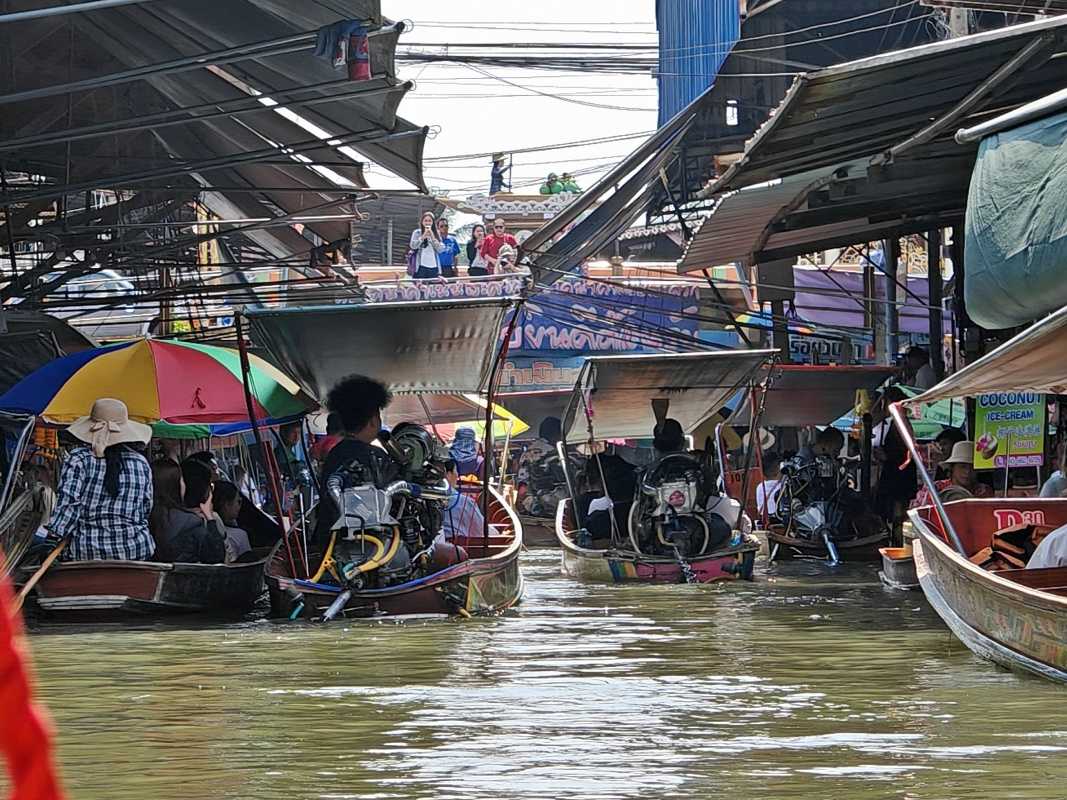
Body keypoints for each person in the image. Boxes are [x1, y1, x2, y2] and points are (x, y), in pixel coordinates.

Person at [49, 398, 154, 562]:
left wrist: (53, 537)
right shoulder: (141, 463)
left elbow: (68, 507)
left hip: (85, 551)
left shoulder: (78, 459)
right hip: (135, 549)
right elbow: (145, 508)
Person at [316, 375, 400, 540]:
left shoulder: (335, 453)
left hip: (328, 539)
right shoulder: (376, 456)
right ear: (373, 421)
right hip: (367, 547)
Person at [149, 459, 226, 564]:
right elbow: (217, 556)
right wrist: (210, 518)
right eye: (181, 480)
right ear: (176, 486)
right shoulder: (192, 523)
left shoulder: (144, 520)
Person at [873, 387, 918, 525]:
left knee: (897, 513)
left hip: (899, 476)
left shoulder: (899, 422)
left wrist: (886, 457)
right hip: (896, 474)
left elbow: (905, 450)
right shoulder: (894, 422)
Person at [439, 460, 485, 541]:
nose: (457, 475)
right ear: (448, 475)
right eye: (456, 470)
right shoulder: (465, 502)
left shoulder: (422, 501)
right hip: (461, 550)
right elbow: (481, 530)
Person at [212, 480, 252, 562]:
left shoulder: (204, 526)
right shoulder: (240, 535)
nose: (239, 507)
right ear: (227, 505)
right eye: (238, 502)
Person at [409, 211, 445, 279]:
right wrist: (423, 237)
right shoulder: (417, 232)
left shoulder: (436, 233)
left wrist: (433, 237)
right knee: (420, 287)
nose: (427, 223)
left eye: (429, 221)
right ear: (422, 222)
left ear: (432, 223)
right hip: (420, 266)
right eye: (425, 221)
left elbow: (440, 250)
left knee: (432, 287)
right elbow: (413, 246)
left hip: (433, 266)